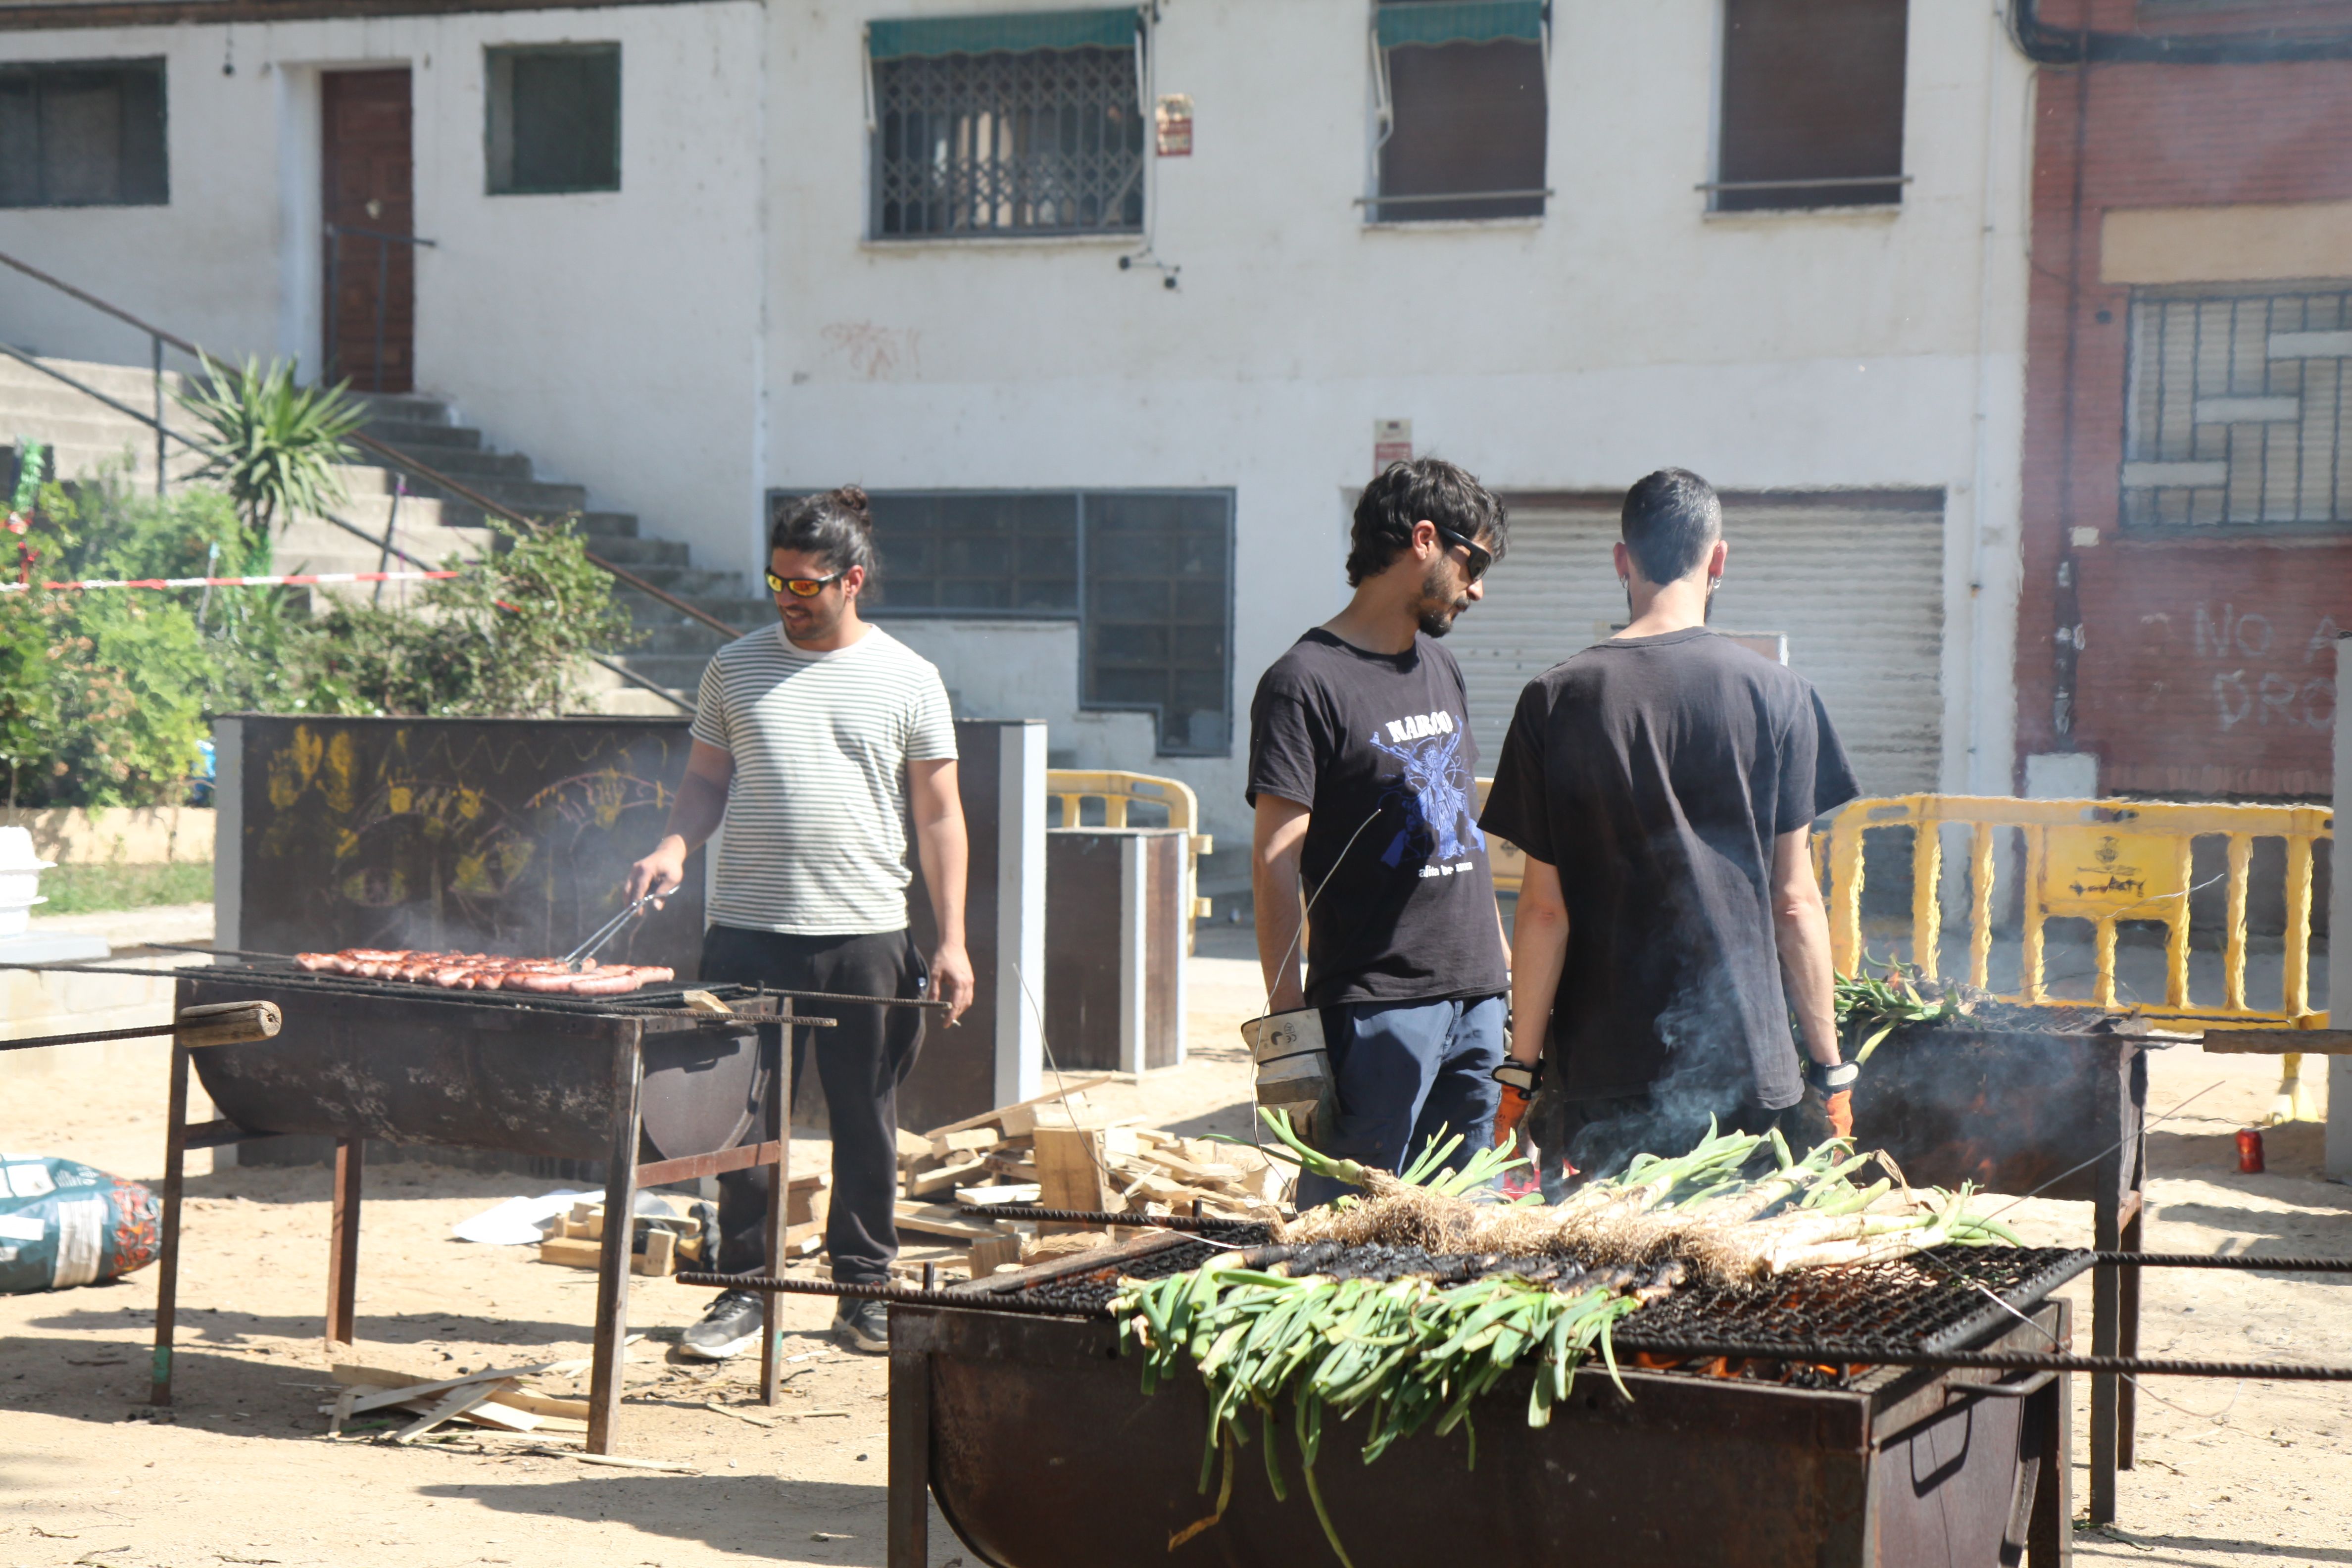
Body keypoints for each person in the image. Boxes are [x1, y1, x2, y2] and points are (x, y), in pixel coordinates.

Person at [626, 485, 975, 1356]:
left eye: (805, 586)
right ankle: (743, 1292)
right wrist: (673, 845)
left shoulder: (910, 677)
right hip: (747, 931)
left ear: (851, 581)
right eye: (777, 583)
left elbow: (940, 815)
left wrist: (954, 941)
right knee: (743, 1123)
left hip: (866, 935)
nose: (787, 599)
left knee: (866, 1120)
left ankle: (864, 1291)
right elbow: (705, 781)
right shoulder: (733, 667)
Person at [1479, 468, 1859, 1184]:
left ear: (1622, 560)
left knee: (1610, 1252)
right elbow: (1795, 902)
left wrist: (1519, 1075)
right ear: (1719, 560)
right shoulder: (1781, 696)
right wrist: (1830, 1070)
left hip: (1600, 1073)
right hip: (1748, 1063)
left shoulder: (1555, 699)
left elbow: (1543, 910)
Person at [1248, 458, 1513, 1208]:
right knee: (1350, 1229)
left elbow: (1460, 827)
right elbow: (1274, 861)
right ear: (1424, 540)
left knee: (1467, 1226)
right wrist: (1287, 1025)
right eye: (1474, 563)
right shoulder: (1305, 682)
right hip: (1376, 1010)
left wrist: (1502, 975)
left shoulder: (1443, 667)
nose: (1478, 589)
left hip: (1477, 1001)